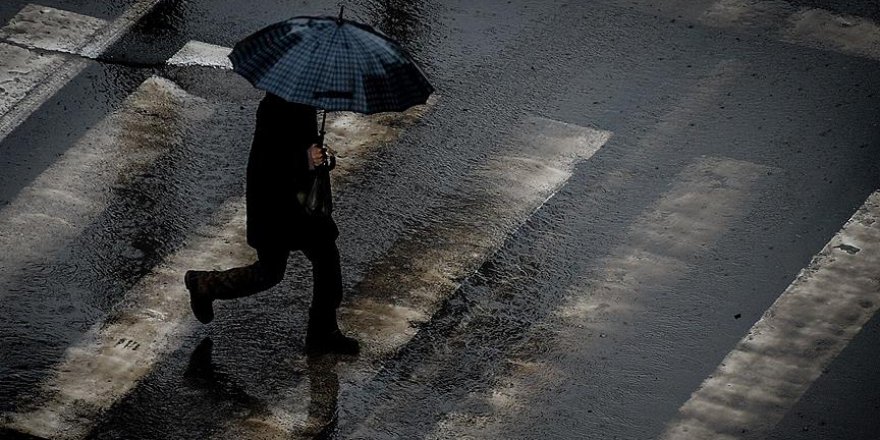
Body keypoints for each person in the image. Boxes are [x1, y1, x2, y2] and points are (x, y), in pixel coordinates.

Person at [184, 93, 359, 356]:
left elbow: (302, 146)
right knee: (271, 271)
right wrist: (305, 159)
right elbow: (267, 162)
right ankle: (204, 285)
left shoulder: (301, 101)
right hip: (274, 204)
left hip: (301, 201)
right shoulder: (274, 109)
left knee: (326, 256)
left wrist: (320, 156)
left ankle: (323, 331)